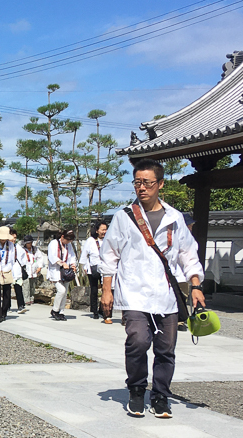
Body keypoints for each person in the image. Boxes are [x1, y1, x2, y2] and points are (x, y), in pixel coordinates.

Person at [100, 158, 204, 419]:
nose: (141, 188)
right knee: (138, 341)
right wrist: (106, 289)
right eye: (137, 182)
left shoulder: (174, 217)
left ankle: (160, 395)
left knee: (166, 348)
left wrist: (195, 284)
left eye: (147, 182)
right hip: (134, 290)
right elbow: (110, 253)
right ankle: (136, 389)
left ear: (160, 184)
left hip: (165, 293)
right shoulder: (124, 217)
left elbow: (187, 253)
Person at [80, 221, 109, 322]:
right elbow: (85, 254)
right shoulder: (91, 241)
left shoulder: (107, 240)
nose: (104, 232)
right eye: (102, 229)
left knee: (106, 289)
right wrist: (84, 266)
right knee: (94, 289)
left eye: (106, 229)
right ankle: (94, 310)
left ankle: (103, 309)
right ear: (97, 230)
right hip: (93, 267)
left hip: (105, 267)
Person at [46, 230, 77, 321]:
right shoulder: (54, 243)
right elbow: (52, 256)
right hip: (55, 270)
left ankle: (61, 311)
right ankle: (55, 310)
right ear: (62, 237)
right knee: (61, 290)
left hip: (66, 272)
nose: (68, 242)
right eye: (67, 240)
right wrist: (62, 263)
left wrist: (73, 265)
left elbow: (71, 255)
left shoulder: (68, 245)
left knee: (65, 292)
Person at [16, 234, 42, 314]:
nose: (29, 244)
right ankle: (26, 300)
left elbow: (40, 258)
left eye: (30, 242)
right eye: (27, 243)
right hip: (26, 269)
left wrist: (39, 267)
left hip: (34, 269)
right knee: (26, 285)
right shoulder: (23, 250)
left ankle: (31, 298)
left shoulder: (35, 249)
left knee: (32, 285)